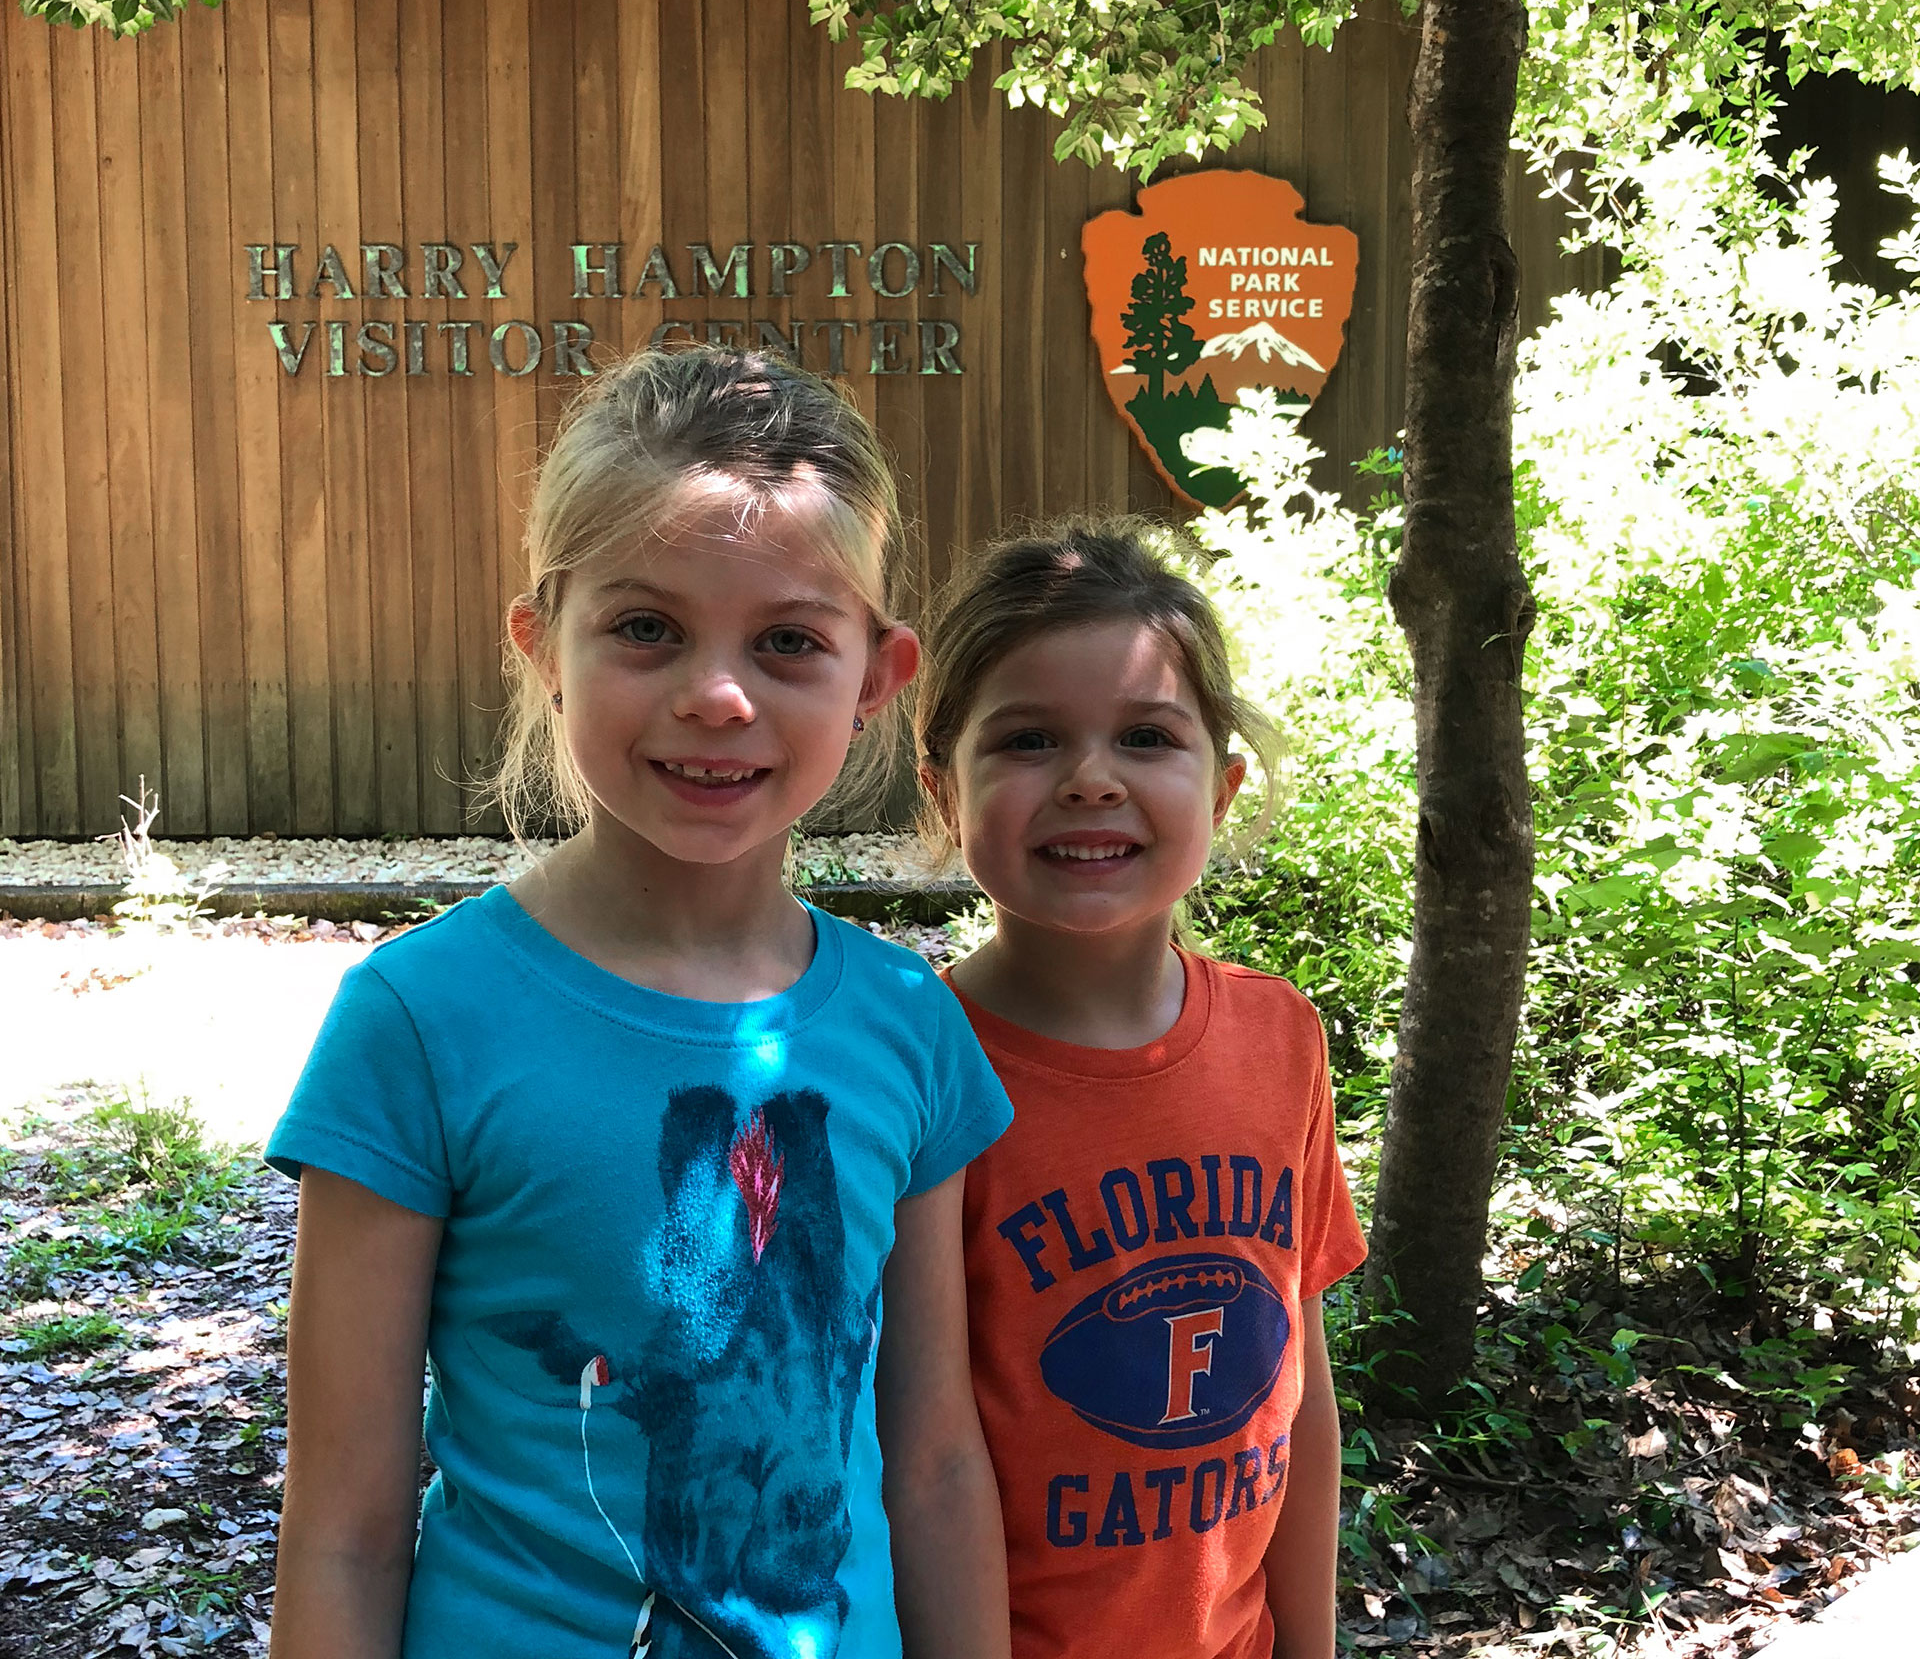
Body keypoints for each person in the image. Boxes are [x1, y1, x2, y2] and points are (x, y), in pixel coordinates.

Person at [266, 347, 1014, 1659]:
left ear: (877, 679)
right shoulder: (419, 1024)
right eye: (646, 627)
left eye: (788, 641)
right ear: (542, 644)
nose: (717, 694)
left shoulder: (910, 1024)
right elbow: (343, 1526)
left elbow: (936, 1463)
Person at [915, 518, 1366, 1659]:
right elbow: (924, 1457)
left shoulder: (1281, 1037)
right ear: (942, 792)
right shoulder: (917, 1064)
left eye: (1147, 736)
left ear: (1222, 786)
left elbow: (1300, 1401)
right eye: (1026, 740)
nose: (1091, 780)